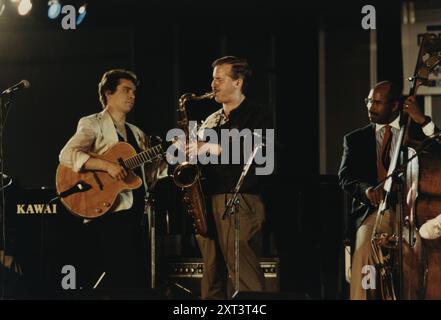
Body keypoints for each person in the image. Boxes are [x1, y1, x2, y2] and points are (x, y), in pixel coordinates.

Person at [59, 69, 166, 291]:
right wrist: (106, 165)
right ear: (108, 93)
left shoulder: (136, 132)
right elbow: (67, 155)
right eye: (126, 90)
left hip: (135, 214)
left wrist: (166, 156)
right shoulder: (92, 123)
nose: (132, 96)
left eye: (134, 92)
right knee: (123, 279)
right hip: (109, 215)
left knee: (137, 279)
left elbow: (146, 176)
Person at [338, 80, 438, 300]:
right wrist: (366, 191)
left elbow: (438, 146)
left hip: (415, 214)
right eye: (369, 101)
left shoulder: (416, 133)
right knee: (365, 248)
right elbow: (345, 177)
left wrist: (422, 120)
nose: (370, 107)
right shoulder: (355, 139)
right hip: (377, 212)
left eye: (377, 102)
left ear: (394, 106)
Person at [184, 56, 273, 299]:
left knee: (243, 273)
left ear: (238, 82)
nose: (213, 85)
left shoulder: (258, 115)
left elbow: (262, 155)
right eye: (213, 79)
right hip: (208, 199)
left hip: (241, 200)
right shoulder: (211, 119)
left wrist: (212, 147)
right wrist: (188, 151)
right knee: (212, 275)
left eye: (219, 79)